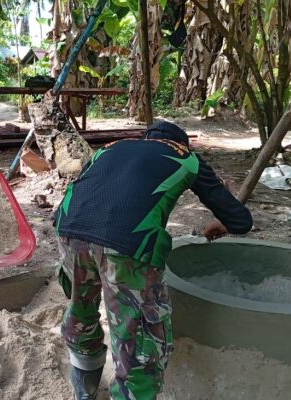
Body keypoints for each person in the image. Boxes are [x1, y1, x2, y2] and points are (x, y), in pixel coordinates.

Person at [53, 120, 253, 399]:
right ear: (182, 142)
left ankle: (84, 382)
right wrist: (223, 223)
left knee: (81, 309)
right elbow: (241, 221)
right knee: (138, 340)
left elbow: (82, 189)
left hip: (67, 230)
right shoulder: (187, 157)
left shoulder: (109, 149)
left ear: (146, 138)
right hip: (127, 247)